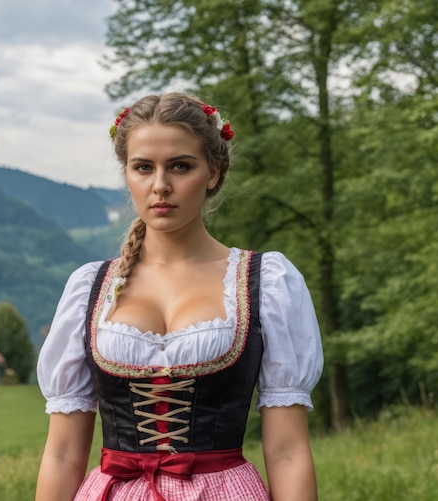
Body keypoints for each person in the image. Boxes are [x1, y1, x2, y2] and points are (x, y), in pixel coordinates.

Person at [35, 92, 324, 501]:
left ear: (213, 172)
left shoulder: (266, 283)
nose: (160, 185)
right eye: (143, 168)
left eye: (180, 166)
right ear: (127, 174)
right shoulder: (91, 288)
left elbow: (288, 451)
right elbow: (63, 454)